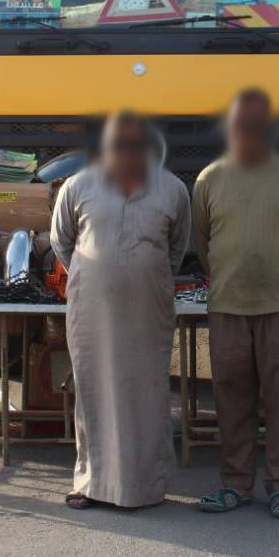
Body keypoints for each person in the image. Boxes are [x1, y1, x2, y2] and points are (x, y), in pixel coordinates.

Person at [193, 89, 279, 518]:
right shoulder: (209, 179)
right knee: (231, 399)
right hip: (229, 306)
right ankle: (235, 484)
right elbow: (202, 243)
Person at [50, 111, 191, 509]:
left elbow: (177, 249)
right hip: (92, 310)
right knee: (94, 390)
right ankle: (89, 483)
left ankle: (145, 486)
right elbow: (63, 243)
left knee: (146, 392)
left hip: (149, 307)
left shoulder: (173, 189)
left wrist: (141, 272)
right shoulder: (78, 186)